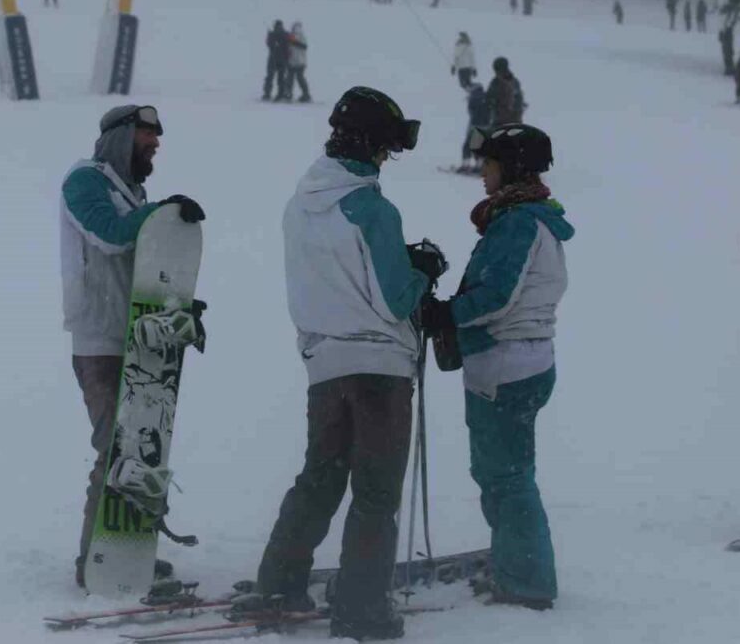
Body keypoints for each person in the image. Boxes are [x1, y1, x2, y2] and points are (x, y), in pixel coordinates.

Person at [242, 87, 442, 640]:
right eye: (386, 149)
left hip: (324, 364)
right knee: (375, 492)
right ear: (371, 145)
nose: (386, 159)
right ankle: (361, 606)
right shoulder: (372, 208)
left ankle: (280, 581)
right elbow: (395, 300)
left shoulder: (300, 203)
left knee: (320, 478)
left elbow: (339, 277)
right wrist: (423, 270)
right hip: (380, 369)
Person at [421, 122, 573, 610]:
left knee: (506, 478)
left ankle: (527, 581)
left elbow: (497, 295)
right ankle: (517, 564)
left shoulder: (517, 222)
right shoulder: (530, 217)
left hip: (506, 365)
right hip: (523, 361)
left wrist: (445, 313)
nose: (482, 171)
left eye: (488, 162)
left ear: (511, 168)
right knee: (505, 474)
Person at [60, 104, 206, 589]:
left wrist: (177, 307)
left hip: (136, 337)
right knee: (115, 451)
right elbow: (110, 235)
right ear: (121, 135)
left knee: (141, 451)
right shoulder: (84, 181)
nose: (155, 143)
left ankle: (127, 551)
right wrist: (160, 214)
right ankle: (96, 561)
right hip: (99, 339)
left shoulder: (131, 192)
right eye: (147, 133)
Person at [459, 80, 491, 173]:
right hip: (485, 126)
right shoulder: (487, 97)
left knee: (467, 144)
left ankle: (466, 165)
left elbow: (471, 111)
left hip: (475, 125)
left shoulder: (473, 97)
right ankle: (478, 166)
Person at [487, 57, 524, 127]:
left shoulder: (497, 83)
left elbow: (488, 99)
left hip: (503, 122)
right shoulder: (513, 81)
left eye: (496, 69)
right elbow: (488, 99)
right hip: (507, 121)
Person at [263, 19, 290, 101]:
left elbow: (269, 45)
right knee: (281, 78)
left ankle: (267, 93)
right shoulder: (286, 34)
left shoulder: (272, 34)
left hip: (273, 59)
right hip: (283, 60)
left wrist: (269, 35)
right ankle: (280, 94)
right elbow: (289, 46)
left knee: (270, 77)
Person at [286, 21, 311, 102]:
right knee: (290, 78)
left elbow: (304, 46)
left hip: (300, 62)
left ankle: (305, 95)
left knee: (299, 78)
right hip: (293, 61)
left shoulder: (300, 37)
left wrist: (294, 42)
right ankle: (289, 94)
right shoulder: (290, 36)